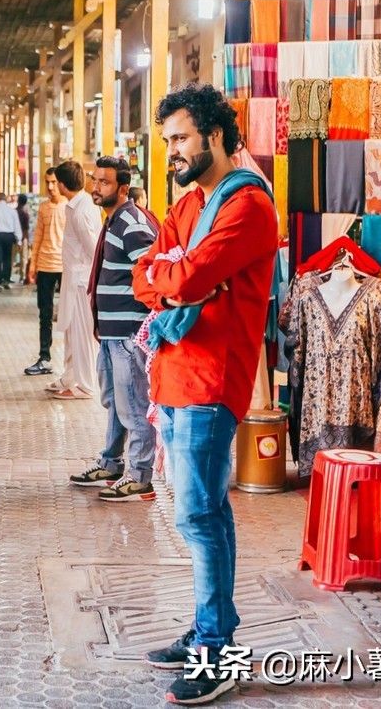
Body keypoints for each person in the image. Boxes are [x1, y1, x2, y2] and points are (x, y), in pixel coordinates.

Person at [131, 85, 277, 706]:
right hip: (177, 373)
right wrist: (174, 279)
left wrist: (175, 277)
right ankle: (211, 629)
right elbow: (149, 274)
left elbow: (184, 273)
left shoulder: (247, 206)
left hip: (212, 380)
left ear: (216, 135)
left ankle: (216, 650)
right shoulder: (190, 205)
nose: (171, 152)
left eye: (181, 138)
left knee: (198, 515)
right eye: (166, 142)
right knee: (204, 513)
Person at [82, 156, 157, 503]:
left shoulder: (133, 223)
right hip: (112, 332)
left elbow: (151, 273)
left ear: (123, 188)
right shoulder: (113, 221)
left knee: (134, 405)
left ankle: (140, 476)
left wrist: (137, 326)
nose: (97, 188)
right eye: (95, 181)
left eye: (105, 182)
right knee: (116, 402)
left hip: (128, 333)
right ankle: (111, 462)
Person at [48, 161, 101, 400]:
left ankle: (85, 385)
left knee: (82, 334)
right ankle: (70, 377)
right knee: (71, 330)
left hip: (82, 282)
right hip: (73, 279)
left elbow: (93, 250)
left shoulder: (81, 211)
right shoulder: (75, 206)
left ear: (61, 183)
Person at [24, 168, 66, 375]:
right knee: (45, 314)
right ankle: (44, 356)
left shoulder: (69, 206)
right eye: (47, 182)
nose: (50, 187)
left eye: (54, 182)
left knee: (70, 314)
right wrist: (32, 267)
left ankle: (72, 359)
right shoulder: (43, 208)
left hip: (65, 267)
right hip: (45, 266)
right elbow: (38, 237)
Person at [15, 193, 32, 283]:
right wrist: (27, 240)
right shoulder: (25, 214)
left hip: (13, 238)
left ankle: (7, 276)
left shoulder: (13, 212)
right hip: (23, 238)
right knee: (23, 258)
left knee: (11, 258)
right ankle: (23, 276)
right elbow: (26, 228)